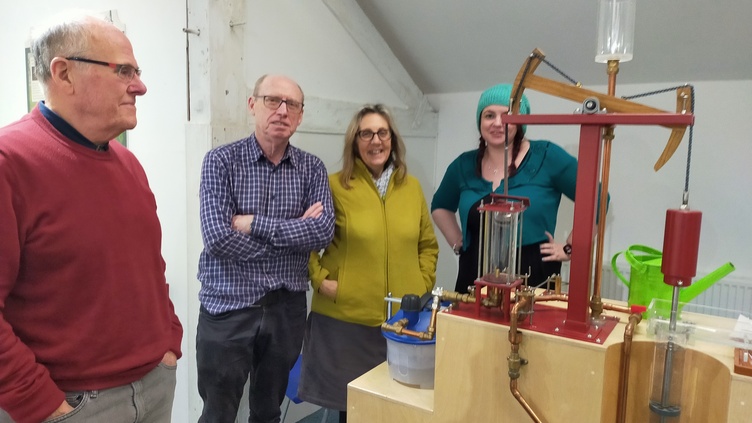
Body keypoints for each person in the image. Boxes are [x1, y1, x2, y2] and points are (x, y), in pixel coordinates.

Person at [0, 12, 183, 423]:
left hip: (155, 384)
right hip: (72, 403)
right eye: (123, 71)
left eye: (136, 71)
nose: (140, 86)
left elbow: (149, 268)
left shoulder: (128, 163)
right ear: (64, 74)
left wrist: (169, 341)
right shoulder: (9, 163)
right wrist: (44, 404)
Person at [196, 74, 335, 423]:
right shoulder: (220, 161)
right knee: (218, 413)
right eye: (273, 100)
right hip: (228, 306)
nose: (282, 111)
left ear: (301, 116)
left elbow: (321, 233)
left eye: (292, 105)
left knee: (268, 411)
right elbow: (217, 237)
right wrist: (293, 235)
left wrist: (254, 223)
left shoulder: (312, 168)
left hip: (285, 309)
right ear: (252, 105)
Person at [299, 104, 439, 422]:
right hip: (346, 321)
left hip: (404, 323)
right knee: (353, 411)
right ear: (355, 141)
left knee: (399, 408)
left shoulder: (411, 187)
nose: (375, 141)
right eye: (366, 133)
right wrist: (323, 282)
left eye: (382, 132)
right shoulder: (333, 185)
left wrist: (421, 283)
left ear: (392, 140)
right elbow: (307, 241)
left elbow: (427, 245)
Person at [432, 83, 585, 292]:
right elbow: (440, 206)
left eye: (507, 115)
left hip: (533, 277)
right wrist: (458, 243)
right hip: (474, 275)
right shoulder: (463, 165)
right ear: (480, 121)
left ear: (521, 121)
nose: (498, 123)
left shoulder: (548, 156)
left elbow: (596, 199)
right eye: (489, 115)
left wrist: (569, 248)